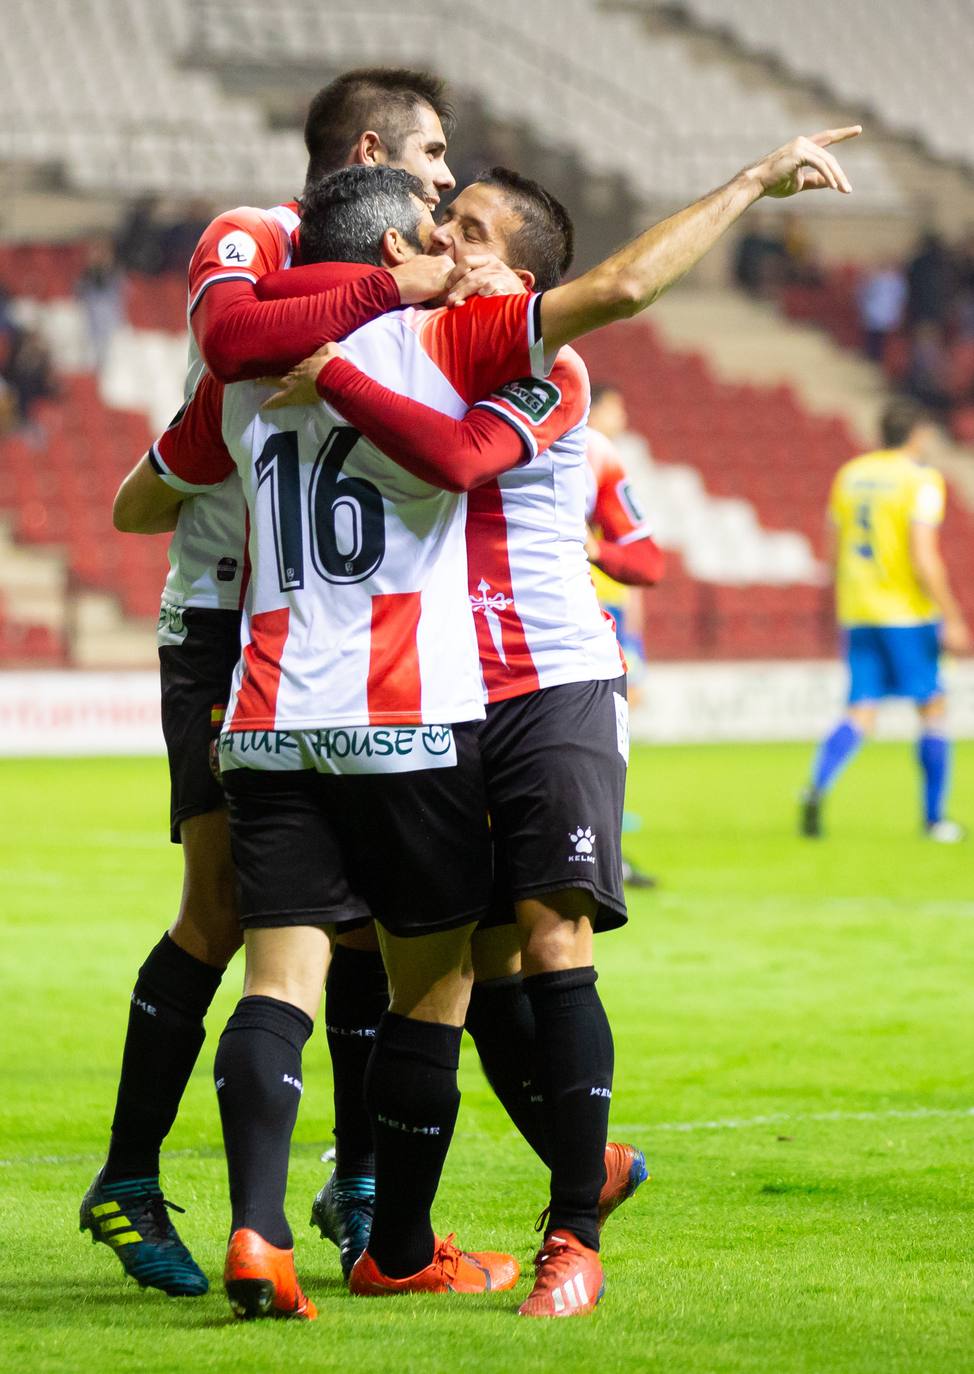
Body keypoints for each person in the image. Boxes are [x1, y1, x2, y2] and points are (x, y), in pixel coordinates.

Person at [259, 122, 861, 1315]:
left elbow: (462, 460)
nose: (446, 240)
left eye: (469, 232)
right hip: (427, 694)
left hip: (549, 683)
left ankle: (571, 1238)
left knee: (549, 943)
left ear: (520, 275)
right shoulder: (407, 337)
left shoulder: (546, 360)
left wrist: (747, 177)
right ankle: (411, 1241)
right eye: (442, 222)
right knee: (440, 980)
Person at [80, 65, 463, 1301]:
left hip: (309, 646)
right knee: (227, 911)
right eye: (435, 159)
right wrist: (393, 290)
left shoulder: (388, 305)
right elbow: (226, 343)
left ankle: (351, 1179)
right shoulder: (260, 239)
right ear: (374, 154)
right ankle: (130, 1178)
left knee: (343, 916)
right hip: (224, 634)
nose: (449, 185)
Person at [800, 398, 971, 841]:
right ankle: (935, 819)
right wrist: (951, 616)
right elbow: (922, 554)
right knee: (932, 707)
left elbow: (833, 552)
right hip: (908, 613)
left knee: (860, 711)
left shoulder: (850, 476)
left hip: (858, 611)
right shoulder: (921, 480)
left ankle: (817, 786)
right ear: (916, 434)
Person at [586, 381, 664, 888]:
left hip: (608, 612)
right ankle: (603, 850)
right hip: (585, 619)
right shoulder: (588, 453)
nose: (624, 413)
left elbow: (639, 559)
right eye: (617, 404)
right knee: (602, 740)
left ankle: (604, 847)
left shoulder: (599, 457)